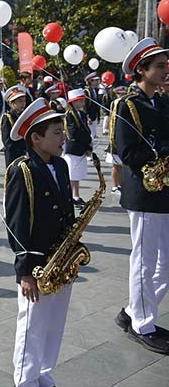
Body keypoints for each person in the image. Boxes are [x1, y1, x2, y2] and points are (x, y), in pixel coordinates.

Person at [5, 97, 75, 387]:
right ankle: (25, 378)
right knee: (33, 322)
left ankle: (43, 370)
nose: (63, 138)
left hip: (60, 258)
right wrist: (24, 271)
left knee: (54, 321)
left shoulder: (60, 164)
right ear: (36, 138)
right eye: (56, 132)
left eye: (63, 131)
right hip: (36, 263)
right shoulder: (22, 170)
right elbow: (17, 224)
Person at [111, 38, 169, 354]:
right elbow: (128, 151)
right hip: (144, 193)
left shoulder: (161, 102)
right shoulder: (127, 105)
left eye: (165, 65)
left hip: (164, 192)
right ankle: (142, 324)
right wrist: (162, 152)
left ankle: (135, 310)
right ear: (141, 70)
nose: (165, 70)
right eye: (159, 66)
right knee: (145, 261)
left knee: (166, 265)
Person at [63, 89, 92, 208]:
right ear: (74, 102)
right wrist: (86, 138)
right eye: (80, 100)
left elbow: (85, 129)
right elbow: (73, 132)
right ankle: (70, 196)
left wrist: (87, 144)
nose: (83, 101)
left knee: (77, 174)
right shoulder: (69, 115)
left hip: (81, 147)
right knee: (71, 174)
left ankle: (76, 196)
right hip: (73, 148)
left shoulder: (82, 114)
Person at [105, 85, 129, 193]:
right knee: (116, 165)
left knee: (123, 165)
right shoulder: (115, 104)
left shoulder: (127, 104)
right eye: (120, 94)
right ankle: (115, 186)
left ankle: (121, 184)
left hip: (124, 137)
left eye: (124, 94)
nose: (122, 96)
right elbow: (112, 121)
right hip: (115, 138)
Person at [0, 85, 28, 168]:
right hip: (13, 154)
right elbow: (6, 141)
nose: (23, 104)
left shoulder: (23, 116)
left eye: (24, 101)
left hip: (24, 152)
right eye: (19, 101)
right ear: (11, 103)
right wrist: (18, 151)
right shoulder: (8, 117)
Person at [84, 72, 101, 138]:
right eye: (96, 80)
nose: (97, 82)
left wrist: (98, 115)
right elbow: (85, 105)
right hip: (90, 115)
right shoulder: (87, 91)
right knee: (91, 136)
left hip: (95, 114)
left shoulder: (96, 90)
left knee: (94, 135)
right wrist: (87, 116)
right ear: (90, 81)